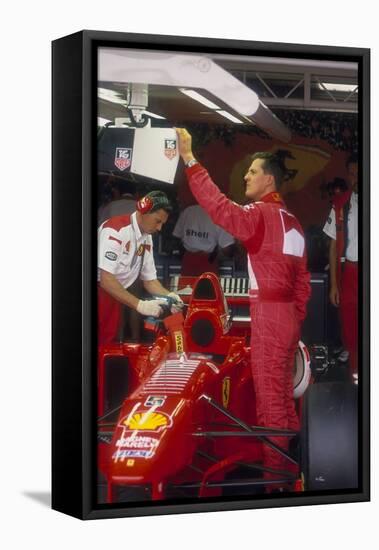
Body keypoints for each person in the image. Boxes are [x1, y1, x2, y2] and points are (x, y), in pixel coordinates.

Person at [175, 127, 311, 490]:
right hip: (288, 320)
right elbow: (302, 285)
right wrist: (293, 319)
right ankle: (291, 469)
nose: (246, 176)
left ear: (268, 178)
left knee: (269, 403)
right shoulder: (293, 223)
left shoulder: (259, 216)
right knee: (282, 399)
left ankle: (274, 485)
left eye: (252, 171)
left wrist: (190, 160)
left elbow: (219, 209)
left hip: (269, 316)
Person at [98, 190, 182, 345]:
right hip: (98, 295)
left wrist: (170, 296)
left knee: (108, 345)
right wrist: (140, 305)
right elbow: (106, 280)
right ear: (144, 211)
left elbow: (150, 281)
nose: (160, 228)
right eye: (157, 221)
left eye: (162, 223)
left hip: (115, 297)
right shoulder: (115, 230)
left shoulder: (146, 238)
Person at [323, 154, 358, 379]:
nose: (356, 178)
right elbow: (333, 245)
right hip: (350, 273)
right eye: (353, 174)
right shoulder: (340, 204)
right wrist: (334, 285)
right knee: (350, 328)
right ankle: (356, 374)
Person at [173, 203, 234, 275]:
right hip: (209, 260)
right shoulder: (219, 215)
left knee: (187, 285)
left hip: (188, 259)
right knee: (208, 285)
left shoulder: (189, 211)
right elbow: (227, 248)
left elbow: (176, 236)